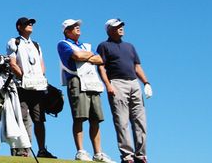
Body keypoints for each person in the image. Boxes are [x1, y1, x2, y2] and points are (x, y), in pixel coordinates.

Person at [57, 19, 115, 163]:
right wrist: (89, 56)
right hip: (77, 80)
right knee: (80, 117)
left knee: (95, 119)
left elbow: (100, 59)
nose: (77, 28)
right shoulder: (63, 44)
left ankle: (98, 153)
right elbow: (77, 56)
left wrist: (86, 55)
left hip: (92, 82)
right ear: (66, 31)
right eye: (73, 26)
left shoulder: (85, 45)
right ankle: (81, 151)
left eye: (78, 26)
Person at [96, 19, 151, 163]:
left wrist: (146, 83)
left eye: (121, 26)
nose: (121, 28)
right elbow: (101, 67)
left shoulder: (130, 46)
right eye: (117, 27)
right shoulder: (104, 46)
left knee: (140, 121)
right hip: (117, 83)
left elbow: (137, 66)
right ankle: (128, 156)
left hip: (134, 83)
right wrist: (108, 85)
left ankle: (141, 155)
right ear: (109, 30)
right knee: (122, 121)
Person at [6, 17, 57, 159]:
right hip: (22, 86)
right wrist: (24, 77)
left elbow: (42, 64)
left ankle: (42, 149)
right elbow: (13, 63)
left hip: (37, 87)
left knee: (39, 119)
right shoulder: (14, 42)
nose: (30, 25)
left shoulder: (36, 44)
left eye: (31, 23)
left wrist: (40, 77)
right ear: (19, 26)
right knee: (21, 117)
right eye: (26, 23)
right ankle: (21, 149)